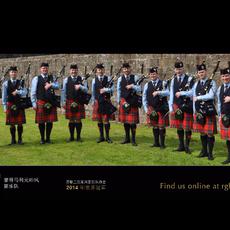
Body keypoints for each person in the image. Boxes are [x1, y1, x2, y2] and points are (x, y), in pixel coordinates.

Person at [31, 63, 60, 144]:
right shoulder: (36, 78)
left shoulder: (52, 77)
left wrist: (50, 85)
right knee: (41, 122)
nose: (45, 69)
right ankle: (42, 138)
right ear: (40, 69)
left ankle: (48, 138)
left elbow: (58, 86)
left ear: (48, 69)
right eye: (43, 68)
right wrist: (33, 103)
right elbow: (33, 92)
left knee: (50, 121)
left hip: (51, 102)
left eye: (46, 68)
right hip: (41, 101)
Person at [169, 60, 194, 153]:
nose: (178, 71)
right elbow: (171, 94)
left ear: (183, 68)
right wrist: (171, 107)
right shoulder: (173, 80)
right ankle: (181, 145)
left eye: (180, 69)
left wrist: (182, 93)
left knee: (187, 127)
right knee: (179, 127)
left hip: (186, 106)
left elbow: (192, 92)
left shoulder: (189, 79)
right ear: (174, 70)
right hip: (176, 105)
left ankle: (187, 146)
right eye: (177, 69)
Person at [142, 67, 170, 149]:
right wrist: (146, 109)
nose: (153, 76)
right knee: (154, 126)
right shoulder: (147, 84)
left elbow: (168, 92)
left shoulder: (163, 83)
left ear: (157, 74)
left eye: (154, 74)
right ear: (149, 75)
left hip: (161, 108)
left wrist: (159, 92)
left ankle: (162, 144)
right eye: (151, 74)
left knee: (161, 126)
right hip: (151, 108)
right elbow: (144, 97)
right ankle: (156, 143)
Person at [61, 64, 88, 142]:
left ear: (77, 71)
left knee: (78, 120)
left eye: (75, 70)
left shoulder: (82, 79)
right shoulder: (66, 80)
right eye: (72, 70)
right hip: (69, 101)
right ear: (70, 71)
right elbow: (63, 91)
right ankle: (71, 137)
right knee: (71, 120)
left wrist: (80, 87)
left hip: (79, 101)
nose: (74, 71)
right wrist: (63, 102)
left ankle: (78, 137)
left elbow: (86, 90)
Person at [117, 63, 141, 146]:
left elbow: (139, 89)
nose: (126, 70)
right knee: (125, 122)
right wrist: (119, 102)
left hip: (133, 101)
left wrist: (132, 86)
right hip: (124, 101)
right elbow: (119, 91)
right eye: (124, 69)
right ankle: (127, 138)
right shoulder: (120, 79)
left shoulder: (135, 77)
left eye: (127, 68)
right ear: (123, 70)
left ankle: (133, 139)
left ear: (130, 68)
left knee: (133, 123)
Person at [2, 66, 27, 145]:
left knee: (20, 123)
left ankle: (20, 139)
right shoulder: (5, 83)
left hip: (19, 104)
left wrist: (18, 92)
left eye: (15, 72)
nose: (13, 73)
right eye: (12, 72)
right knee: (12, 124)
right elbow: (4, 96)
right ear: (9, 73)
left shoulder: (21, 82)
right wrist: (5, 107)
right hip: (10, 104)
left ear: (17, 73)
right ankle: (13, 140)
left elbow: (25, 93)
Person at [92, 63, 115, 143]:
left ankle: (108, 137)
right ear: (96, 71)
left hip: (106, 101)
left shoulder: (108, 79)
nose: (100, 71)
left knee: (106, 120)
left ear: (104, 70)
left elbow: (112, 89)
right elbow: (93, 91)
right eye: (99, 70)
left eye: (101, 70)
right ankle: (101, 136)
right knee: (99, 120)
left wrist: (105, 90)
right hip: (98, 101)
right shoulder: (94, 80)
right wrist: (93, 101)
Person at [217, 67, 230, 164]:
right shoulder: (220, 88)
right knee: (228, 139)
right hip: (225, 116)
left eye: (227, 75)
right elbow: (219, 103)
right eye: (223, 76)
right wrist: (220, 115)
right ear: (221, 77)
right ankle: (229, 157)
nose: (225, 78)